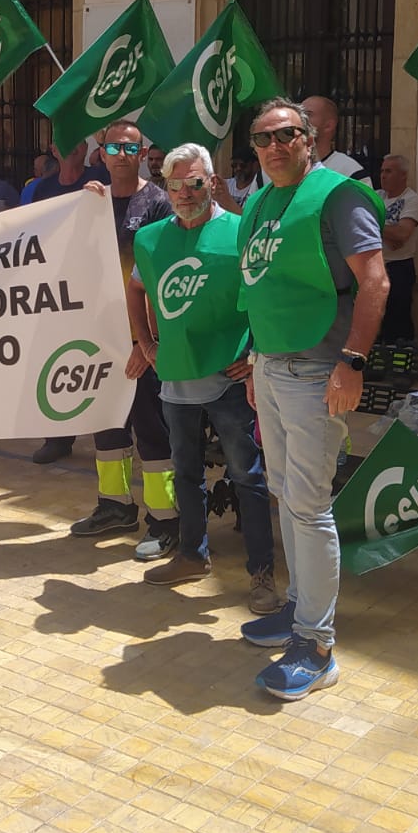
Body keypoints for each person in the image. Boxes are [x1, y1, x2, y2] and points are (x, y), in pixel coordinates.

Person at [236, 97, 388, 701]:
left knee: (309, 504)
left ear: (312, 138)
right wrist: (254, 360)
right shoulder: (261, 199)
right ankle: (298, 608)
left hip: (318, 366)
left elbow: (375, 280)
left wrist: (352, 362)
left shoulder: (338, 195)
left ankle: (316, 643)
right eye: (264, 138)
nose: (275, 146)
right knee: (287, 495)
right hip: (273, 365)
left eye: (287, 135)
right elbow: (257, 282)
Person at [129, 142, 279, 611]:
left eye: (193, 182)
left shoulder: (241, 232)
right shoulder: (150, 239)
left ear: (211, 182)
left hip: (230, 379)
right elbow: (134, 290)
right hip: (175, 377)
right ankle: (193, 556)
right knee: (185, 471)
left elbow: (267, 293)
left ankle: (261, 574)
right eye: (173, 184)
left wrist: (255, 350)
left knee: (247, 477)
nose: (183, 193)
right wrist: (144, 344)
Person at [66, 121, 180, 561]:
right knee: (107, 423)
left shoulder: (157, 203)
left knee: (152, 431)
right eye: (112, 146)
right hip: (99, 338)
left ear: (142, 151)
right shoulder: (89, 201)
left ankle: (165, 520)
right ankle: (114, 506)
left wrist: (143, 341)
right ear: (101, 150)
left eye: (129, 147)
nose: (120, 154)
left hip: (142, 341)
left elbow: (155, 277)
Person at [29, 139, 110, 465]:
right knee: (56, 359)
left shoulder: (99, 178)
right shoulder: (42, 188)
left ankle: (110, 430)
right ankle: (58, 437)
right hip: (55, 289)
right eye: (67, 138)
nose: (73, 145)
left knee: (99, 359)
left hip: (95, 286)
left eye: (79, 139)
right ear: (53, 148)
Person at [377, 155, 418, 343]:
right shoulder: (376, 196)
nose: (383, 175)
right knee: (376, 321)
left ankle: (401, 365)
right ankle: (378, 366)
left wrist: (373, 226)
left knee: (398, 321)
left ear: (403, 175)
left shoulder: (411, 200)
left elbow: (402, 234)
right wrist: (388, 232)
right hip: (375, 267)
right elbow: (356, 225)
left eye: (389, 171)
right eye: (382, 171)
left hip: (399, 268)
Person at [300, 95, 368, 180]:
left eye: (308, 114)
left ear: (328, 126)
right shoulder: (285, 168)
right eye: (299, 114)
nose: (300, 119)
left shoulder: (350, 172)